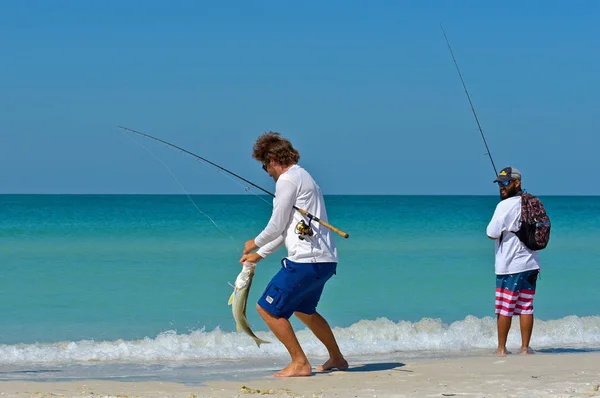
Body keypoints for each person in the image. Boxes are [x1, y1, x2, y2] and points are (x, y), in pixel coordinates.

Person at [240, 131, 348, 377]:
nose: (266, 171)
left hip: (305, 262)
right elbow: (288, 228)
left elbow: (276, 226)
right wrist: (261, 254)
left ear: (273, 160)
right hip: (325, 260)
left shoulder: (287, 180)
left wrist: (253, 242)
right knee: (303, 310)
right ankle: (337, 358)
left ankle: (300, 363)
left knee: (266, 309)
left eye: (265, 165)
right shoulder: (305, 176)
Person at [486, 167, 541, 356]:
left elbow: (491, 233)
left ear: (517, 183)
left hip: (509, 265)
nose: (501, 187)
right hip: (531, 264)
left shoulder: (504, 206)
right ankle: (525, 348)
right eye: (499, 183)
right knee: (526, 306)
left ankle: (501, 349)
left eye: (505, 183)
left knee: (504, 308)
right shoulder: (532, 202)